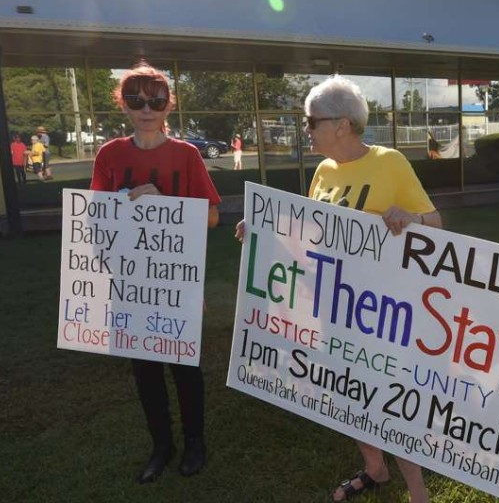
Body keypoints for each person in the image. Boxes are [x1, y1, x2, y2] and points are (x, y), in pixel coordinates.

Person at [236, 75, 441, 503]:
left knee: (387, 401)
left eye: (312, 121)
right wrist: (263, 227)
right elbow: (309, 229)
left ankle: (419, 494)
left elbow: (437, 225)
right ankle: (375, 469)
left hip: (379, 311)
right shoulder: (324, 171)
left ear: (342, 125)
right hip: (330, 305)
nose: (306, 129)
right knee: (344, 393)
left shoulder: (390, 163)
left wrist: (413, 219)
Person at [89, 61, 221, 484]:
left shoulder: (186, 155)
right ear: (123, 105)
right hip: (129, 282)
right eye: (136, 99)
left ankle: (194, 442)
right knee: (145, 370)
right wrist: (126, 199)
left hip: (176, 278)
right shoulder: (109, 154)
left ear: (168, 106)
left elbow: (213, 216)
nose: (146, 108)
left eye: (156, 99)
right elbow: (95, 215)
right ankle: (160, 446)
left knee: (184, 367)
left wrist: (164, 204)